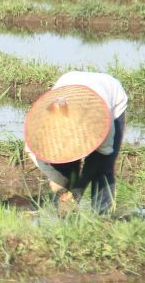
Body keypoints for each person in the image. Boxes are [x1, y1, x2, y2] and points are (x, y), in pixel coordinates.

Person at [24, 71, 128, 214]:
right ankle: (62, 216)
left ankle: (103, 217)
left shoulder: (103, 121)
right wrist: (60, 185)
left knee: (104, 169)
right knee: (64, 167)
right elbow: (34, 153)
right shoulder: (40, 128)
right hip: (70, 83)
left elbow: (100, 157)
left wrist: (78, 189)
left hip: (110, 95)